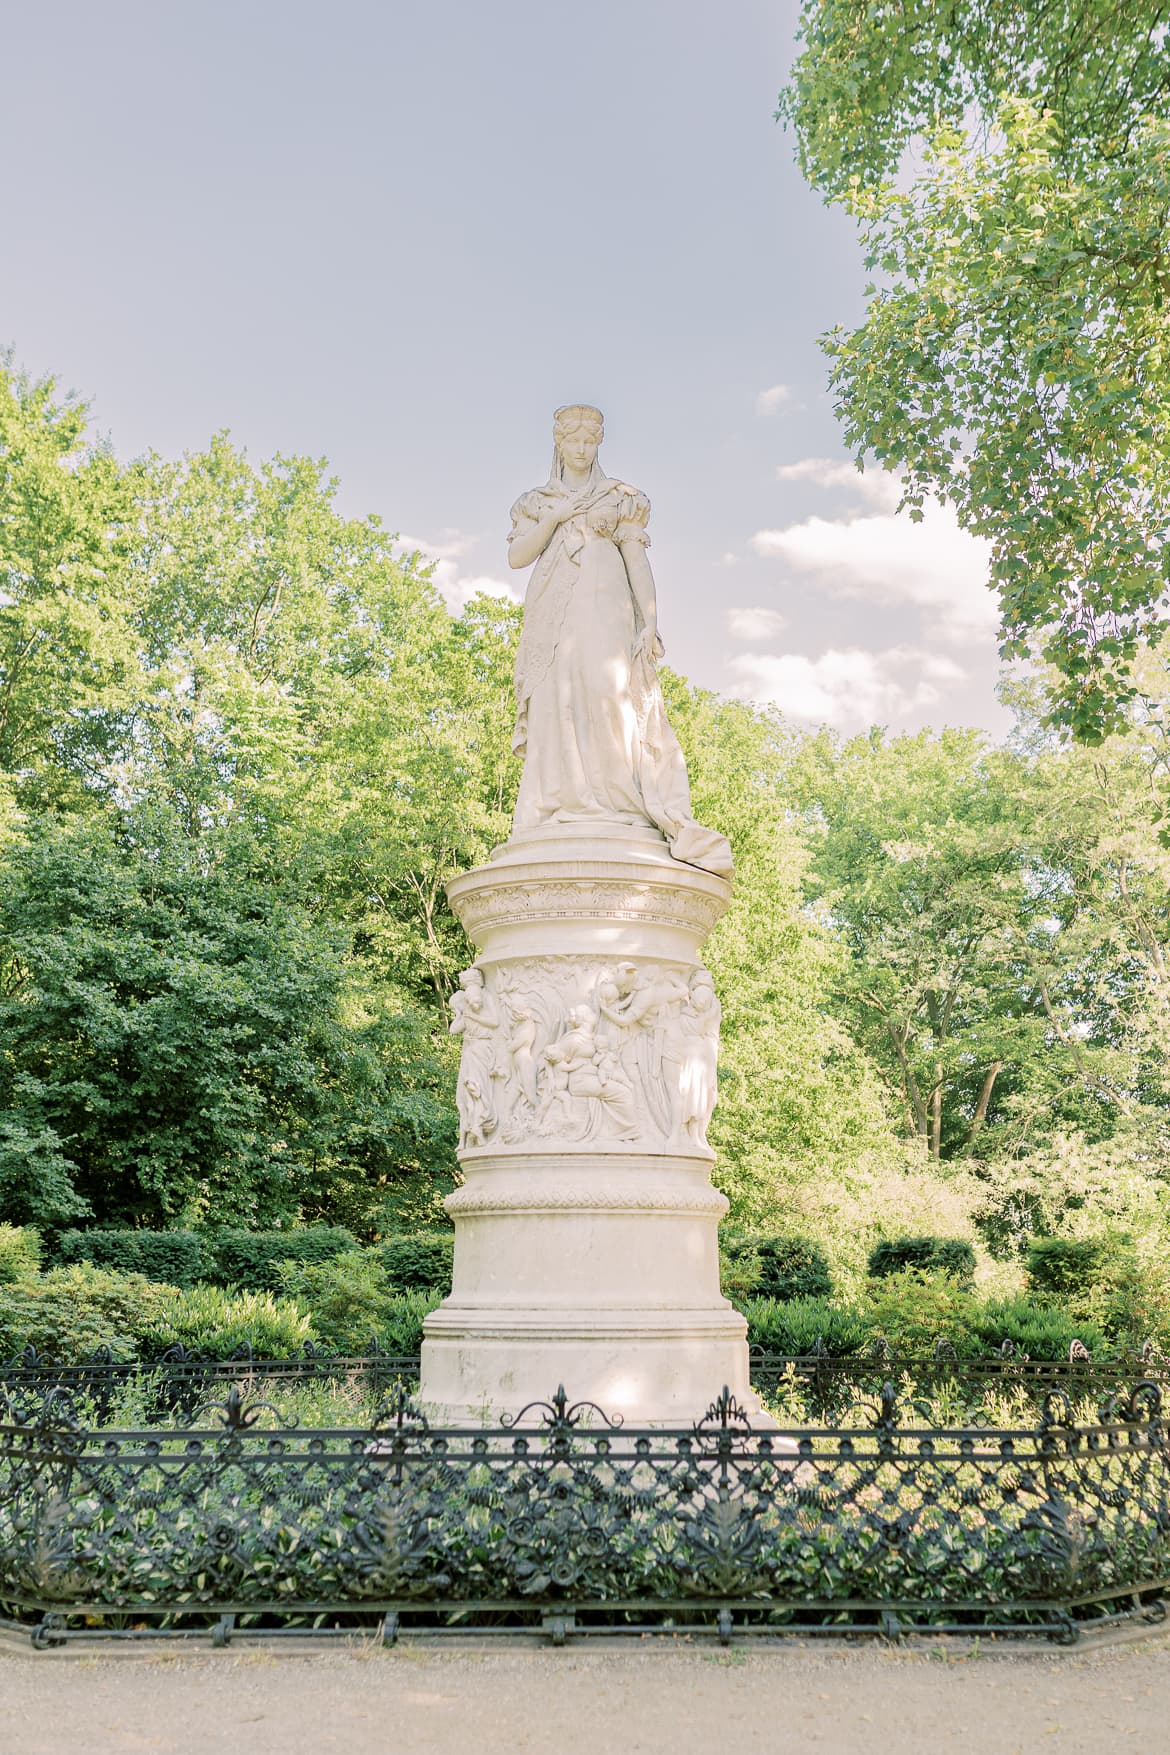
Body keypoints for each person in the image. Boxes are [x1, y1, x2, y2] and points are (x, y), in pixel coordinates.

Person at [506, 405, 733, 877]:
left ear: (599, 444)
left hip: (608, 608)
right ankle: (560, 799)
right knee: (557, 695)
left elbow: (636, 560)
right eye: (575, 441)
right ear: (560, 444)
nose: (583, 449)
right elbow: (516, 556)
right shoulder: (538, 501)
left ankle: (618, 802)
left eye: (591, 441)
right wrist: (555, 519)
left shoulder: (620, 497)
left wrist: (649, 619)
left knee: (610, 693)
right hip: (554, 609)